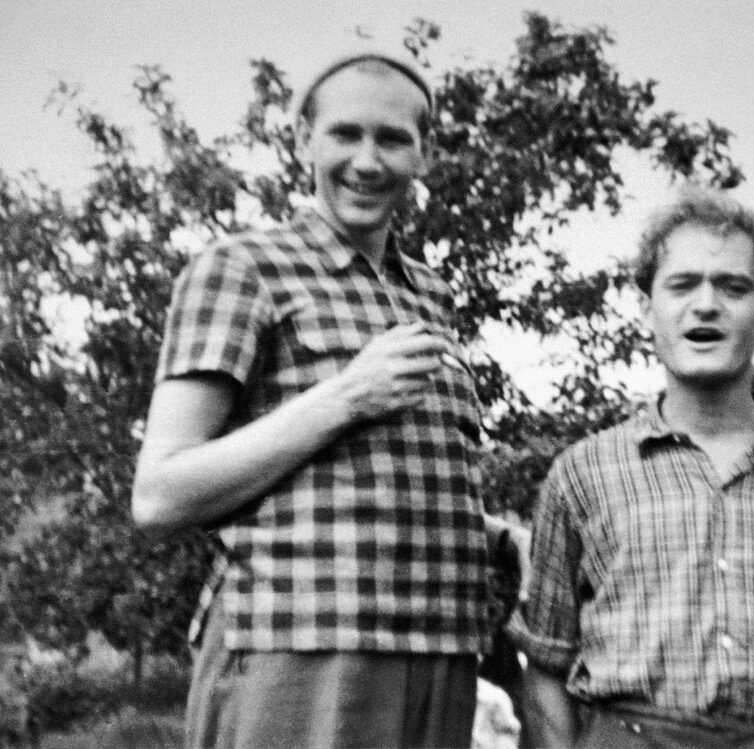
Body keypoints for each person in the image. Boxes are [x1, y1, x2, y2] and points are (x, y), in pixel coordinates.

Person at [132, 48, 520, 748]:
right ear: (303, 141)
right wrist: (346, 395)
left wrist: (487, 533)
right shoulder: (242, 268)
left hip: (440, 652)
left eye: (393, 138)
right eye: (346, 133)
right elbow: (161, 494)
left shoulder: (429, 295)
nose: (368, 160)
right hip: (301, 647)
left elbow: (360, 481)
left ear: (424, 154)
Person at [508, 187, 754, 748]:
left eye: (733, 287)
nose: (706, 304)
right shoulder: (583, 473)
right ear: (647, 308)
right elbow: (546, 666)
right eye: (682, 284)